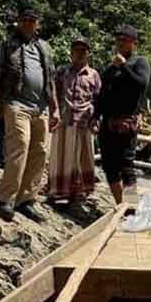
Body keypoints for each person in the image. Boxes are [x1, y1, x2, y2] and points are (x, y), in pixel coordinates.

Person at [0, 10, 60, 222]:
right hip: (16, 103)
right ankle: (4, 198)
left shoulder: (44, 47)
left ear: (38, 24)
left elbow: (51, 79)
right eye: (24, 20)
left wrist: (55, 107)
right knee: (20, 146)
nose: (28, 24)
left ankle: (26, 199)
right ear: (19, 22)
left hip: (41, 106)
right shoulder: (6, 43)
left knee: (40, 152)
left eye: (32, 20)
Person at [94, 25, 151, 205]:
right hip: (108, 123)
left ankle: (132, 208)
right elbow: (102, 93)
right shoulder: (112, 67)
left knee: (126, 165)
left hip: (126, 122)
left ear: (133, 43)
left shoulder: (140, 62)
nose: (120, 43)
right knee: (109, 166)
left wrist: (124, 66)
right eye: (118, 40)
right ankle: (121, 206)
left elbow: (141, 84)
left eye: (125, 40)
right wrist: (95, 115)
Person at [47, 36, 102, 207]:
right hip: (64, 120)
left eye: (83, 50)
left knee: (84, 158)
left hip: (85, 121)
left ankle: (81, 192)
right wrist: (53, 112)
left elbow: (99, 99)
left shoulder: (93, 75)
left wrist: (96, 119)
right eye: (76, 50)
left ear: (88, 54)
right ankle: (59, 191)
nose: (80, 53)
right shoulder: (62, 71)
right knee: (61, 157)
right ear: (71, 53)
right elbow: (53, 92)